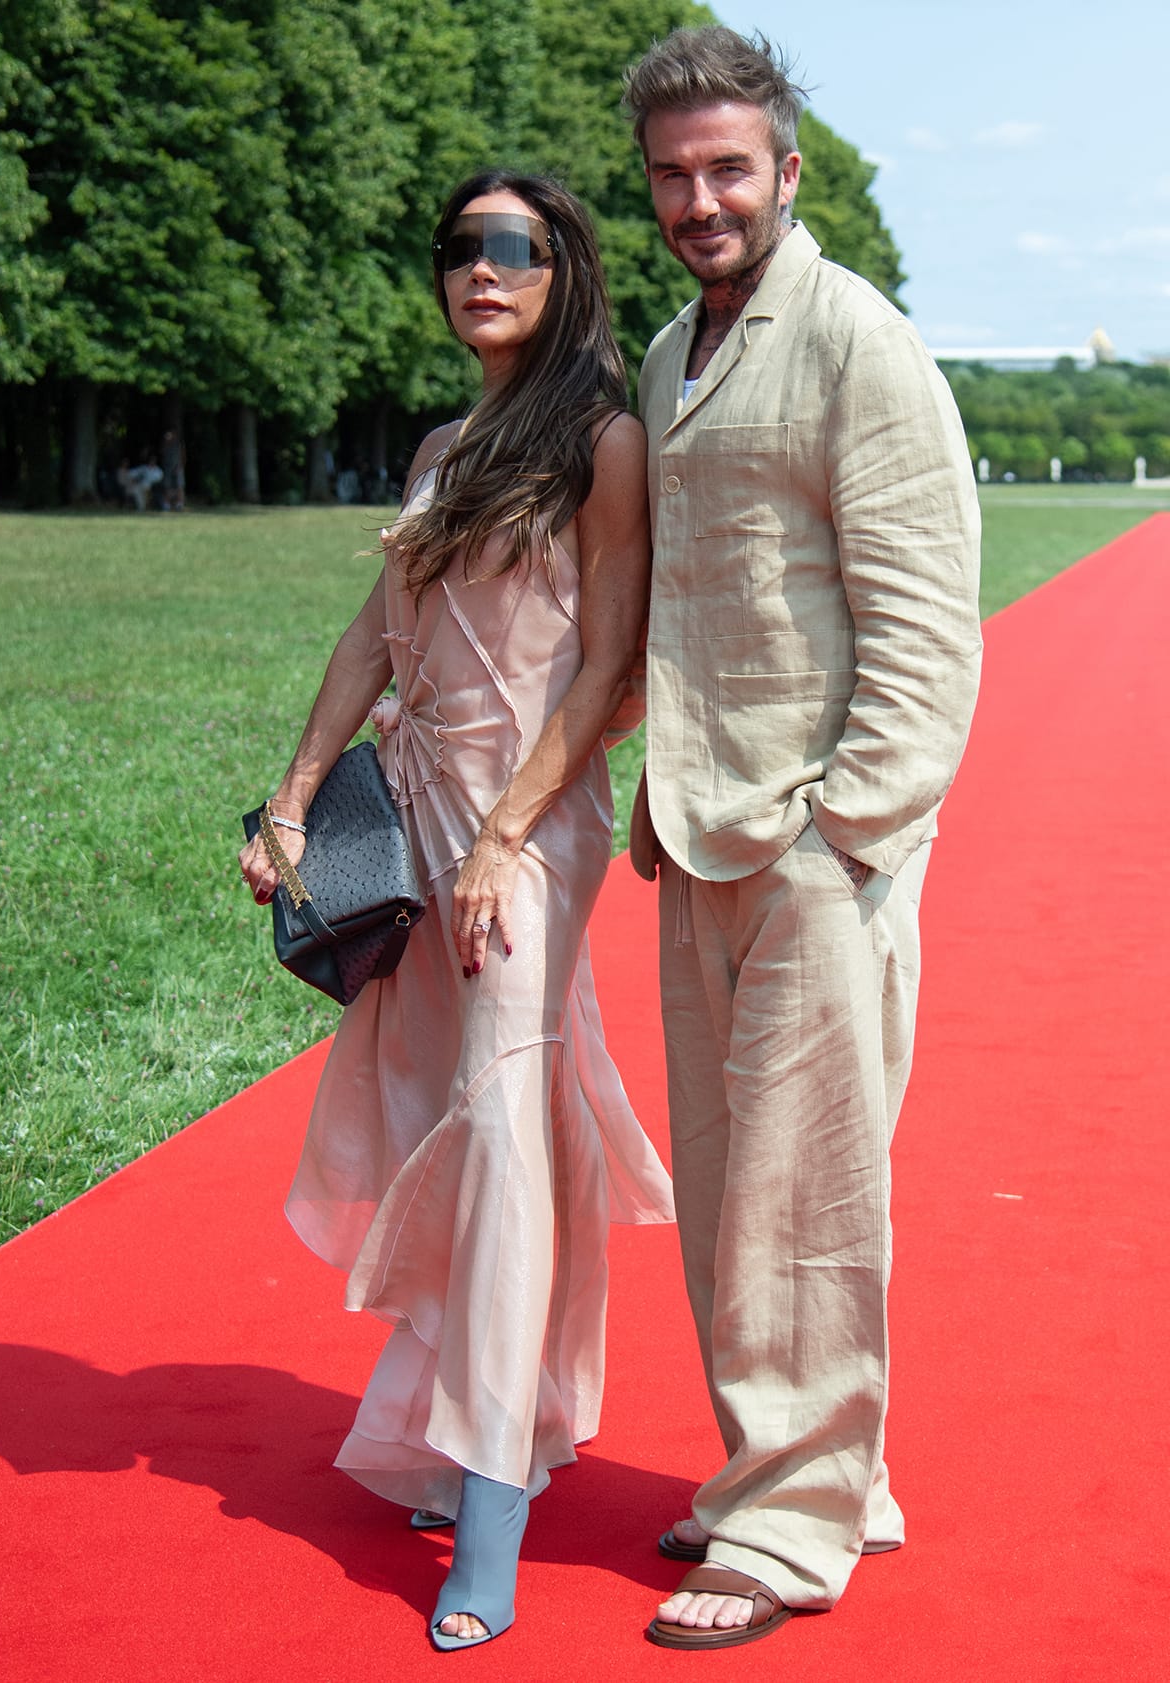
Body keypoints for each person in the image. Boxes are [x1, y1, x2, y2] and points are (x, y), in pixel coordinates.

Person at [238, 171, 673, 1650]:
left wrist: (501, 837)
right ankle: (481, 1422)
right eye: (458, 248)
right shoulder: (442, 448)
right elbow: (377, 632)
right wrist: (297, 796)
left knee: (496, 1124)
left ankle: (491, 1505)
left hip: (529, 831)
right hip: (417, 814)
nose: (479, 270)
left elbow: (607, 662)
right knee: (453, 1110)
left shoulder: (603, 443)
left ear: (564, 270)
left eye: (512, 248)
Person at [621, 28, 983, 1650]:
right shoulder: (670, 351)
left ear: (786, 170)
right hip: (701, 832)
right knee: (727, 1188)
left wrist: (844, 840)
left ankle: (788, 1524)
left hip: (817, 847)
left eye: (727, 169)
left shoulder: (857, 341)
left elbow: (926, 624)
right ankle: (824, 1475)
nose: (700, 200)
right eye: (672, 175)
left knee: (805, 1196)